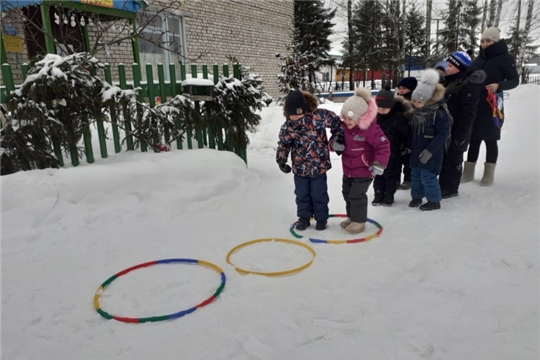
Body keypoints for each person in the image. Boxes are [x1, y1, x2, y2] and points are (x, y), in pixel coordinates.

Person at [276, 89, 344, 231]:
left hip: (319, 166)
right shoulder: (288, 126)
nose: (295, 117)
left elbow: (337, 122)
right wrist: (281, 160)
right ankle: (304, 218)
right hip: (300, 168)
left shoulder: (319, 116)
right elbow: (284, 143)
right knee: (302, 195)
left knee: (319, 194)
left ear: (305, 109)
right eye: (291, 114)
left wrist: (338, 137)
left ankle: (321, 219)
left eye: (298, 113)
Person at [463, 27, 519, 186]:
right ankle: (468, 172)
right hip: (475, 103)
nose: (485, 43)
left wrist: (498, 85)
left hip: (492, 104)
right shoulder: (478, 59)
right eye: (482, 41)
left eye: (488, 40)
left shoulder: (505, 58)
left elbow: (514, 80)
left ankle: (488, 174)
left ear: (496, 41)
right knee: (473, 137)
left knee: (490, 138)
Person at [329, 87, 390, 233]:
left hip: (365, 170)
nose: (347, 121)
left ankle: (359, 221)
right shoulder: (343, 127)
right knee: (347, 193)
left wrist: (379, 164)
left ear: (361, 117)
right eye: (345, 117)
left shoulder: (370, 130)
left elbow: (383, 146)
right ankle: (352, 216)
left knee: (357, 195)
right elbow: (333, 140)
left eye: (351, 118)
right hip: (348, 170)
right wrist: (334, 144)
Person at [439, 51, 486, 198]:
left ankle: (450, 189)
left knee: (453, 159)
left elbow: (469, 113)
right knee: (443, 159)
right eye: (447, 64)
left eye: (451, 65)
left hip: (459, 129)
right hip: (444, 128)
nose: (447, 68)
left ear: (461, 67)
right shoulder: (446, 81)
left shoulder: (468, 85)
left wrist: (461, 135)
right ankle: (441, 185)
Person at [408, 69, 451, 211]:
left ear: (429, 100)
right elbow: (413, 132)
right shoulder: (417, 113)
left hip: (431, 153)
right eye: (414, 100)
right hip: (416, 151)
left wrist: (430, 150)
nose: (415, 103)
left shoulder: (438, 113)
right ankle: (417, 197)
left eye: (418, 101)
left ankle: (434, 201)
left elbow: (443, 134)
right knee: (415, 176)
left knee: (428, 177)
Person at [372, 85, 413, 206]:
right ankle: (378, 193)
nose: (381, 111)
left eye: (384, 109)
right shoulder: (375, 117)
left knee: (390, 174)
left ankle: (389, 194)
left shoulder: (399, 117)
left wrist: (407, 147)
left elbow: (407, 134)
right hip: (377, 152)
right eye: (379, 108)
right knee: (378, 174)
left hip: (393, 152)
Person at [395, 77, 417, 190]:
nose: (401, 91)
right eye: (399, 88)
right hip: (397, 133)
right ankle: (396, 179)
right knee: (397, 157)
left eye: (404, 88)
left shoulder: (415, 101)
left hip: (410, 133)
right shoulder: (396, 101)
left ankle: (409, 178)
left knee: (408, 159)